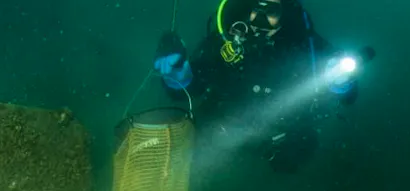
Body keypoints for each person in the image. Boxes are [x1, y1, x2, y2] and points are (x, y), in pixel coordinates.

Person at [153, 0, 372, 173]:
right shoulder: (224, 41)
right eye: (257, 7)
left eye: (272, 10)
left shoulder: (305, 45)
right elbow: (188, 90)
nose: (261, 18)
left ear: (284, 10)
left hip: (279, 140)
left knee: (293, 159)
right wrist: (176, 75)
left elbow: (345, 96)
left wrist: (342, 82)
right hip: (220, 129)